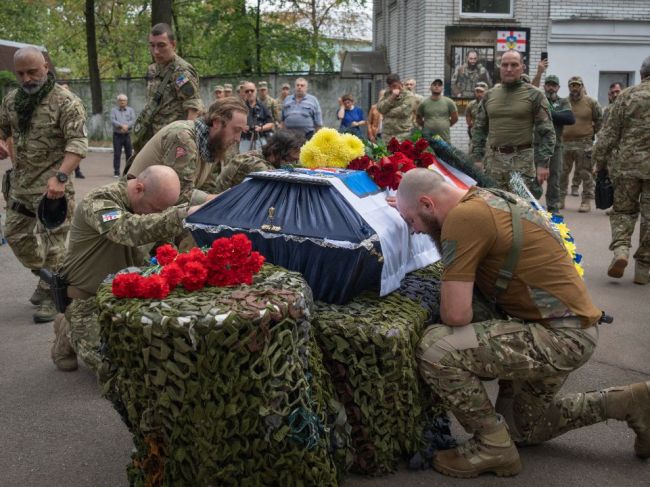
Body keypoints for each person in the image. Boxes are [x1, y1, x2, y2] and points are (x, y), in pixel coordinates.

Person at [395, 168, 650, 478]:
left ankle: (492, 446)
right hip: (572, 330)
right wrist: (410, 210)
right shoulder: (487, 199)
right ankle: (629, 402)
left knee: (436, 348)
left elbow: (456, 315)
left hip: (560, 339)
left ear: (427, 204)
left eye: (411, 221)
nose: (414, 230)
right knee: (523, 430)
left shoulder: (464, 220)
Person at [50, 166, 208, 372]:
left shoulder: (148, 204)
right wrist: (181, 215)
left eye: (163, 210)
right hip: (88, 300)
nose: (157, 214)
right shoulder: (98, 202)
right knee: (113, 368)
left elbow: (163, 248)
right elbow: (129, 230)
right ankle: (68, 327)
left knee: (157, 357)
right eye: (156, 209)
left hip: (128, 297)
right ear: (139, 189)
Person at [0, 46, 87, 323]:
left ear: (46, 67)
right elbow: (2, 127)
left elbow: (77, 144)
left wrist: (60, 178)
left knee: (54, 247)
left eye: (32, 72)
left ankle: (54, 296)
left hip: (54, 190)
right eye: (21, 73)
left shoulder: (66, 102)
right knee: (15, 236)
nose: (27, 79)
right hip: (21, 186)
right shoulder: (12, 100)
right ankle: (49, 280)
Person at [593, 56, 650, 285]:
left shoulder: (626, 96)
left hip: (626, 167)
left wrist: (599, 162)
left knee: (623, 212)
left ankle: (621, 251)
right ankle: (644, 268)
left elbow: (608, 134)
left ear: (642, 72)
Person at [128, 97, 248, 204]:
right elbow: (179, 195)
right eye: (236, 130)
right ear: (216, 122)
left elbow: (207, 188)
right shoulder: (183, 137)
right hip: (136, 207)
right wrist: (223, 199)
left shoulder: (212, 144)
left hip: (155, 206)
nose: (238, 139)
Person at [471, 50, 555, 198]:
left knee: (522, 209)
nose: (509, 69)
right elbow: (479, 129)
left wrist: (543, 164)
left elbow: (547, 132)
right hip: (494, 164)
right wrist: (478, 158)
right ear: (500, 67)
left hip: (521, 165)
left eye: (514, 65)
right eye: (505, 65)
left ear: (522, 67)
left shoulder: (535, 95)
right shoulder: (489, 95)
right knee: (495, 207)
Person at [132, 23, 203, 152]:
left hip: (172, 142)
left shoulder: (181, 71)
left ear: (173, 45)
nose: (156, 51)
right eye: (152, 45)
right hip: (154, 139)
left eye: (161, 45)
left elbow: (193, 108)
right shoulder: (154, 69)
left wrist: (185, 143)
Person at [560, 76, 603, 212]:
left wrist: (592, 134)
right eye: (572, 85)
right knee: (562, 173)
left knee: (586, 174)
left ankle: (585, 202)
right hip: (565, 143)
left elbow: (599, 119)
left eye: (577, 85)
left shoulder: (591, 102)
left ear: (582, 86)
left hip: (584, 143)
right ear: (569, 87)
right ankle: (560, 200)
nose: (574, 88)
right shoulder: (563, 102)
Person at [214, 130, 304, 193]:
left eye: (295, 161)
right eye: (290, 159)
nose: (291, 164)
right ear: (274, 152)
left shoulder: (269, 158)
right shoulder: (253, 163)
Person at [542, 75, 575, 214]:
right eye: (548, 84)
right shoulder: (539, 100)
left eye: (553, 85)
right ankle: (530, 206)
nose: (551, 87)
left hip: (555, 147)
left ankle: (553, 207)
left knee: (554, 178)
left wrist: (548, 113)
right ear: (544, 86)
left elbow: (569, 118)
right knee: (532, 178)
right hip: (536, 146)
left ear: (558, 88)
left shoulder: (562, 102)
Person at [416, 78, 458, 143]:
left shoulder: (449, 102)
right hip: (428, 138)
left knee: (445, 153)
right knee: (428, 153)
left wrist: (446, 124)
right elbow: (418, 119)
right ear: (430, 88)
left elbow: (455, 118)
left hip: (444, 138)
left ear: (442, 88)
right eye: (434, 84)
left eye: (439, 85)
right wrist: (427, 125)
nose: (437, 86)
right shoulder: (423, 103)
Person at [377, 73, 416, 142]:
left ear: (400, 83)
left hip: (403, 134)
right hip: (387, 134)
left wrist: (386, 113)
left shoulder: (409, 95)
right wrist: (392, 97)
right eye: (390, 86)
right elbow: (380, 108)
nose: (392, 88)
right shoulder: (387, 94)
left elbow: (404, 111)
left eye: (394, 85)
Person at [240, 81, 274, 152]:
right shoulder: (240, 107)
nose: (250, 93)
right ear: (243, 93)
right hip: (245, 140)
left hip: (260, 139)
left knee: (261, 161)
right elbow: (234, 123)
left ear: (256, 91)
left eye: (252, 90)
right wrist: (241, 127)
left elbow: (271, 124)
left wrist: (261, 128)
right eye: (247, 91)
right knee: (244, 161)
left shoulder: (263, 107)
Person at [110, 93, 135, 177]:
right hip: (117, 135)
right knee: (117, 153)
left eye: (124, 100)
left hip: (127, 135)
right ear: (118, 101)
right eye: (120, 100)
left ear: (126, 101)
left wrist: (127, 126)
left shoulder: (130, 110)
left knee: (129, 154)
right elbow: (113, 120)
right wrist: (121, 125)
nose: (122, 102)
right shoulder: (114, 110)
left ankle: (127, 171)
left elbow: (133, 120)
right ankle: (116, 172)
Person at [464, 82, 487, 153]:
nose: (479, 94)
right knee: (473, 155)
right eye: (477, 92)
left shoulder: (489, 104)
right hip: (475, 136)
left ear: (486, 92)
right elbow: (468, 118)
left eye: (481, 92)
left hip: (487, 136)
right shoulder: (471, 105)